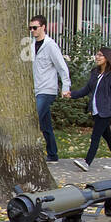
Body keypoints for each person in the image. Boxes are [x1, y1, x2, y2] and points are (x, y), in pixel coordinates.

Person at [70, 46, 111, 171]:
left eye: (100, 55)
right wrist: (71, 94)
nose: (97, 57)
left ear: (107, 58)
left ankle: (87, 162)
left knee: (95, 136)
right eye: (97, 54)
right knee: (109, 137)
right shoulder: (95, 73)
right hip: (95, 111)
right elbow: (86, 90)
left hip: (106, 111)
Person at [29, 15, 71, 163]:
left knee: (33, 120)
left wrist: (66, 87)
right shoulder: (31, 45)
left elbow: (61, 67)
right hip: (36, 89)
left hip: (47, 90)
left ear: (43, 27)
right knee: (46, 124)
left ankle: (29, 154)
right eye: (31, 28)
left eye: (35, 27)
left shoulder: (51, 45)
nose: (32, 30)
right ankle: (53, 155)